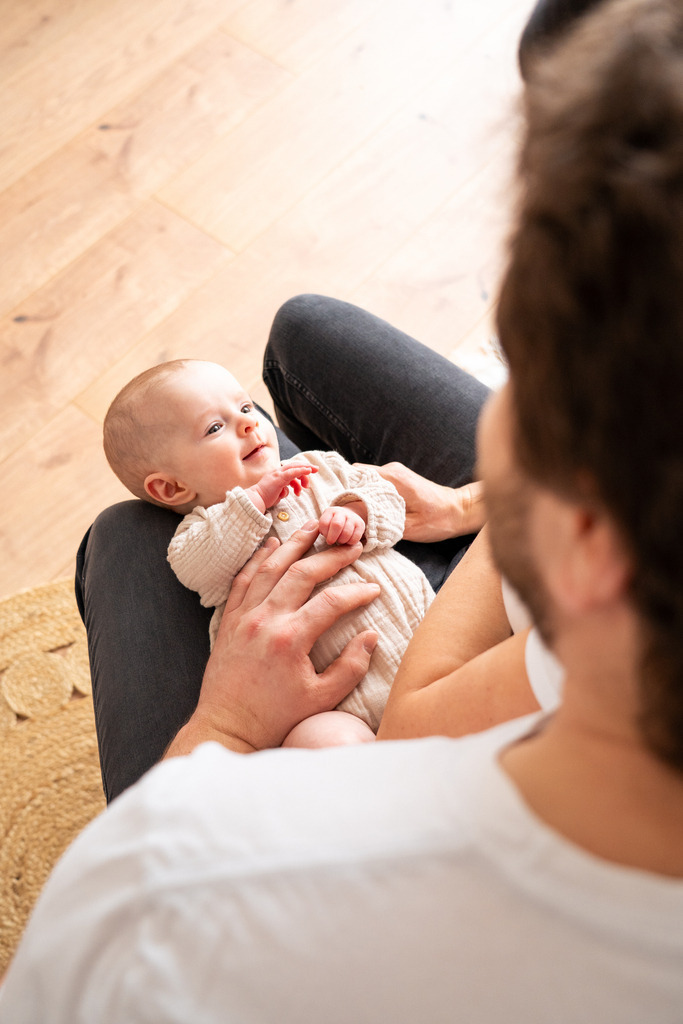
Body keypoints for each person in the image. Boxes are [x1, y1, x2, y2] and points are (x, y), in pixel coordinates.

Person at [3, 0, 683, 1018]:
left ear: (583, 538)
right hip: (461, 578)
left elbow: (407, 717)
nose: (253, 432)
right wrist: (451, 502)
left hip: (374, 683)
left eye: (526, 394)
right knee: (306, 330)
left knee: (124, 544)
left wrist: (228, 724)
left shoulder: (164, 914)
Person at [102, 358, 439, 745]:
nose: (249, 423)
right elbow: (198, 569)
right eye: (215, 427)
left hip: (429, 637)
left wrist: (356, 510)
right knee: (316, 739)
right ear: (172, 489)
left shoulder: (317, 465)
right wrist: (255, 500)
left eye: (246, 408)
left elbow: (389, 499)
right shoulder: (198, 531)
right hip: (346, 706)